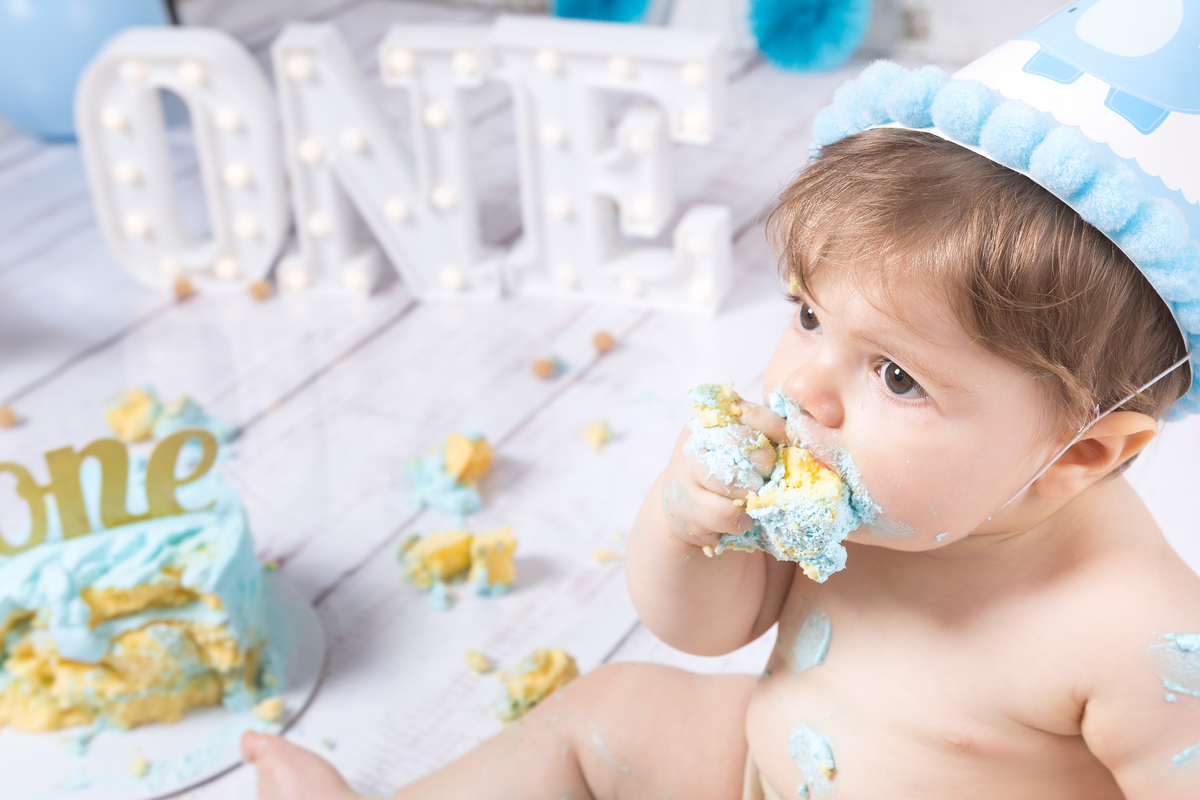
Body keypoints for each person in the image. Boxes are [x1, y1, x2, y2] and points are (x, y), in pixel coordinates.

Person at [240, 17, 1200, 798]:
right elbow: (708, 631)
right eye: (810, 315)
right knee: (607, 714)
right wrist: (684, 520)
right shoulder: (859, 486)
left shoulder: (1137, 635)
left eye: (897, 376)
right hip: (760, 769)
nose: (803, 388)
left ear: (1078, 457)